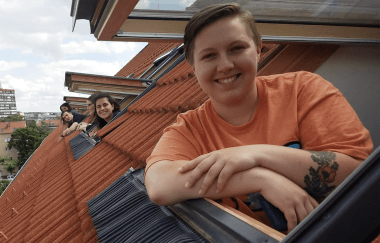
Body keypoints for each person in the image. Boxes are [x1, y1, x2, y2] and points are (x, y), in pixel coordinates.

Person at [144, 4, 373, 232]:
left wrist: (255, 154)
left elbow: (358, 174)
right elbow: (159, 184)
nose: (225, 65)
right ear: (193, 67)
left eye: (236, 48)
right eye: (209, 55)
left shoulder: (302, 89)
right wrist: (259, 178)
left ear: (258, 50)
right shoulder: (190, 129)